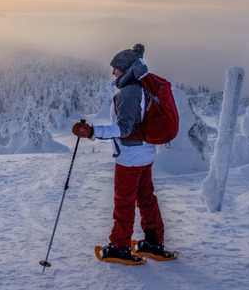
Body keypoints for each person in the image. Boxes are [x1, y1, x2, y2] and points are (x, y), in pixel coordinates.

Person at [72, 43, 174, 263]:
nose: (113, 72)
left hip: (130, 158)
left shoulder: (129, 91)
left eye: (116, 68)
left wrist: (92, 132)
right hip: (145, 154)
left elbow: (124, 128)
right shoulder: (141, 86)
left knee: (124, 201)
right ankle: (153, 243)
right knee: (146, 198)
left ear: (126, 69)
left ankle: (120, 246)